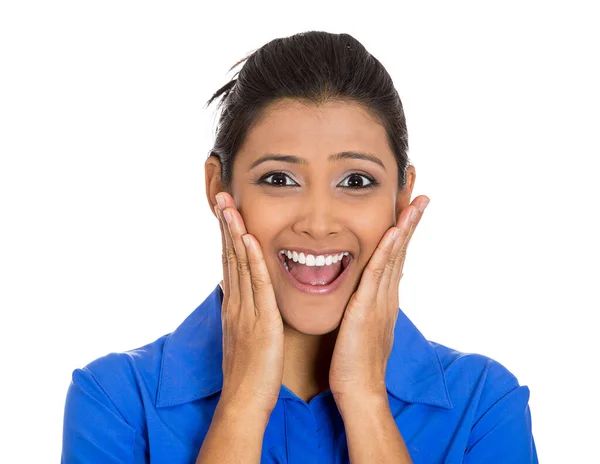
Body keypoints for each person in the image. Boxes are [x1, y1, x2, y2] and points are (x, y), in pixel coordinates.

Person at [61, 31, 538, 463]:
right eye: (279, 178)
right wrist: (244, 398)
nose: (318, 223)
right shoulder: (115, 400)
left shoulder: (484, 405)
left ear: (401, 197)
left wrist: (366, 397)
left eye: (356, 180)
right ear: (217, 188)